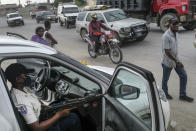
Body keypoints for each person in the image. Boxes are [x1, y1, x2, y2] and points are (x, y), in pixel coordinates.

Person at [5, 63, 82, 131]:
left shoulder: (22, 89)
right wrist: (59, 115)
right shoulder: (21, 102)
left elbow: (32, 103)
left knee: (66, 104)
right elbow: (36, 128)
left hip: (42, 113)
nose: (27, 76)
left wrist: (44, 106)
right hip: (42, 125)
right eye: (24, 75)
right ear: (17, 79)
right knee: (74, 118)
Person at [161, 18, 194, 102]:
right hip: (167, 61)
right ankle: (164, 93)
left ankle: (182, 95)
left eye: (177, 24)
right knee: (165, 79)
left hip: (176, 59)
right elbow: (167, 51)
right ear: (170, 25)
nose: (176, 26)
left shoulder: (176, 33)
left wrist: (177, 60)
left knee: (183, 75)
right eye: (174, 24)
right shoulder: (166, 36)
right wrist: (177, 61)